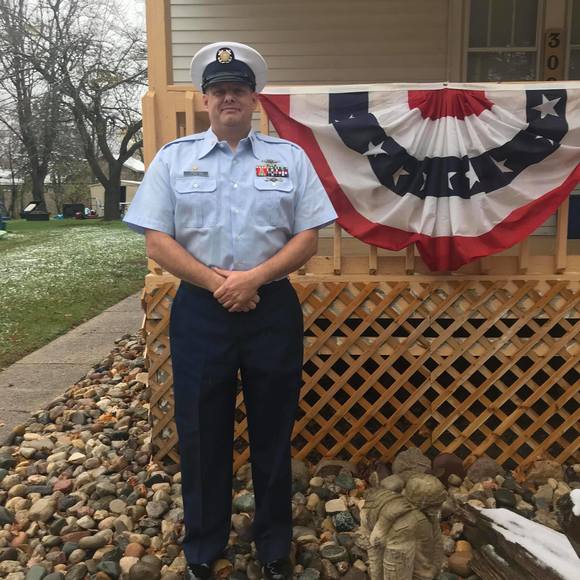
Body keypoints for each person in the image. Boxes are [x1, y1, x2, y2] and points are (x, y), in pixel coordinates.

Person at [124, 41, 337, 580]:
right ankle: (203, 544)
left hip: (271, 307)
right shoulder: (175, 159)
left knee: (273, 430)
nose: (228, 98)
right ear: (205, 100)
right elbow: (157, 239)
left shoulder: (289, 159)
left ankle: (273, 545)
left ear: (254, 98)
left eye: (238, 89)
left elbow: (308, 236)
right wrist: (218, 284)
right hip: (201, 309)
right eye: (218, 91)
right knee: (201, 431)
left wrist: (253, 279)